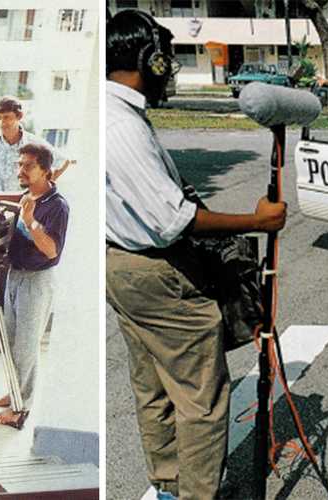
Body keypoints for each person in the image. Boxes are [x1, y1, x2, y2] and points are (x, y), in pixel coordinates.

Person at [105, 9, 287, 499]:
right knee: (200, 396)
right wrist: (257, 221)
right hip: (153, 271)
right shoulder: (121, 126)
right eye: (165, 58)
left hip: (121, 267)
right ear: (151, 60)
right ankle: (196, 494)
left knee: (154, 388)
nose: (169, 70)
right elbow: (172, 221)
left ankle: (167, 485)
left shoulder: (111, 114)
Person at [0, 143, 69, 427]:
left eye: (28, 166)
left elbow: (52, 249)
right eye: (20, 165)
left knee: (27, 347)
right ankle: (13, 393)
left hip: (36, 281)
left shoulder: (56, 206)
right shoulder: (29, 195)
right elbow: (19, 202)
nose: (21, 170)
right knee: (9, 341)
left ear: (46, 171)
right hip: (15, 276)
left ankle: (22, 408)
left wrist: (31, 223)